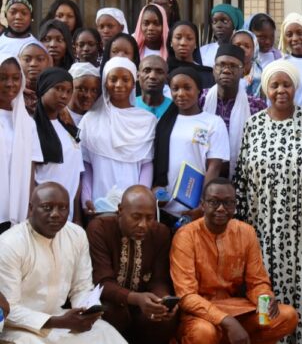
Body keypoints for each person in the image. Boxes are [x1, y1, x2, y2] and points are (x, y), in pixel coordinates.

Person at [233, 60, 302, 343]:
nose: (281, 90)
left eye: (287, 84)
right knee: (263, 287)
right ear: (266, 88)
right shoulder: (253, 126)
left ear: (296, 87)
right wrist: (242, 229)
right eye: (274, 84)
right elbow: (241, 179)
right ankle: (266, 337)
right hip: (262, 227)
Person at [170, 178, 299, 344]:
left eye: (228, 203)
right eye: (214, 202)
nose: (221, 208)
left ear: (235, 205)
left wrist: (265, 297)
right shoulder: (186, 236)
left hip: (237, 309)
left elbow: (257, 282)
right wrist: (227, 321)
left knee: (287, 316)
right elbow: (186, 296)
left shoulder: (246, 232)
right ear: (202, 204)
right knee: (203, 333)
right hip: (199, 314)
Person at [0, 182, 128, 343]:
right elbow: (9, 310)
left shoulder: (76, 235)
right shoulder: (10, 244)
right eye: (47, 207)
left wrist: (88, 311)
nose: (55, 214)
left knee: (104, 332)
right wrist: (58, 322)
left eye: (63, 208)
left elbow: (81, 287)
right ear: (31, 209)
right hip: (19, 328)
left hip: (62, 319)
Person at [86, 185, 177, 344]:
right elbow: (102, 282)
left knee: (164, 318)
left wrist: (162, 301)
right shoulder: (100, 228)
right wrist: (135, 298)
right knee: (111, 311)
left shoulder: (160, 233)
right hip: (112, 303)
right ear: (120, 210)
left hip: (144, 304)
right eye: (136, 217)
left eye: (150, 218)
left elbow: (159, 280)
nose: (143, 224)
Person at [79, 57, 156, 214]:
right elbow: (86, 165)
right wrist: (86, 198)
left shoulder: (147, 120)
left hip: (135, 206)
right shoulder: (90, 119)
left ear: (134, 83)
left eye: (125, 79)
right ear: (105, 83)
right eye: (113, 79)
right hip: (98, 203)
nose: (119, 85)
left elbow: (147, 164)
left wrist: (141, 197)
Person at [154, 67, 228, 224]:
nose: (181, 93)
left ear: (199, 91)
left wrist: (204, 203)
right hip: (164, 206)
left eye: (187, 88)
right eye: (175, 89)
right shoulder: (163, 122)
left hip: (195, 209)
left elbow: (214, 167)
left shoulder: (213, 122)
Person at [200, 44, 266, 178]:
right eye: (221, 65)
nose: (226, 70)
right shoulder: (200, 99)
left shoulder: (256, 106)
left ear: (243, 72)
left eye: (233, 66)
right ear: (213, 69)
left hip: (242, 179)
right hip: (203, 174)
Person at [33, 67, 83, 224]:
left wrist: (76, 216)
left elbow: (76, 174)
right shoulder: (32, 127)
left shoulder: (69, 127)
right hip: (43, 212)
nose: (64, 95)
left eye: (69, 91)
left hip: (67, 213)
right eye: (58, 89)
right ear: (44, 88)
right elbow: (29, 175)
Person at [0, 53, 42, 234]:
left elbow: (31, 169)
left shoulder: (27, 123)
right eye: (2, 78)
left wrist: (29, 207)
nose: (10, 84)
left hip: (16, 211)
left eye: (16, 78)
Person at [167, 21, 215, 89]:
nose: (183, 43)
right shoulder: (163, 72)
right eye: (178, 38)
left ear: (195, 43)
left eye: (189, 38)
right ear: (171, 42)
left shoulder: (208, 75)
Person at [18, 40, 52, 114]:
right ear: (18, 62)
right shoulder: (12, 93)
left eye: (40, 59)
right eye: (27, 60)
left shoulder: (55, 91)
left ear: (48, 62)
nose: (33, 64)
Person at [67, 62, 101, 126]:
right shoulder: (57, 115)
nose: (88, 95)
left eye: (94, 90)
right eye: (81, 89)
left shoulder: (99, 119)